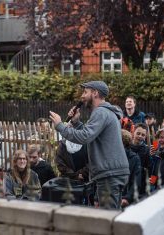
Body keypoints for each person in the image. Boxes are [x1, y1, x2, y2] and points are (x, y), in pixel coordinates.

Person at [50, 80, 130, 209]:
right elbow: (93, 135)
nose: (82, 96)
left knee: (107, 218)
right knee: (113, 215)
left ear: (95, 93)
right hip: (113, 172)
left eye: (85, 92)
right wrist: (76, 123)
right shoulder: (105, 113)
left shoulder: (101, 112)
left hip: (109, 174)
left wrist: (60, 126)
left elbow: (84, 137)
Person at [121, 130, 141, 208]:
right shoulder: (111, 156)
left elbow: (136, 180)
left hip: (124, 199)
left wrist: (127, 198)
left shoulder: (134, 158)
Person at [130, 123, 150, 196]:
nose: (140, 136)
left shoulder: (146, 150)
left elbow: (148, 166)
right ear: (133, 132)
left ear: (145, 137)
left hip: (140, 182)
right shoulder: (126, 146)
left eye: (143, 135)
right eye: (138, 133)